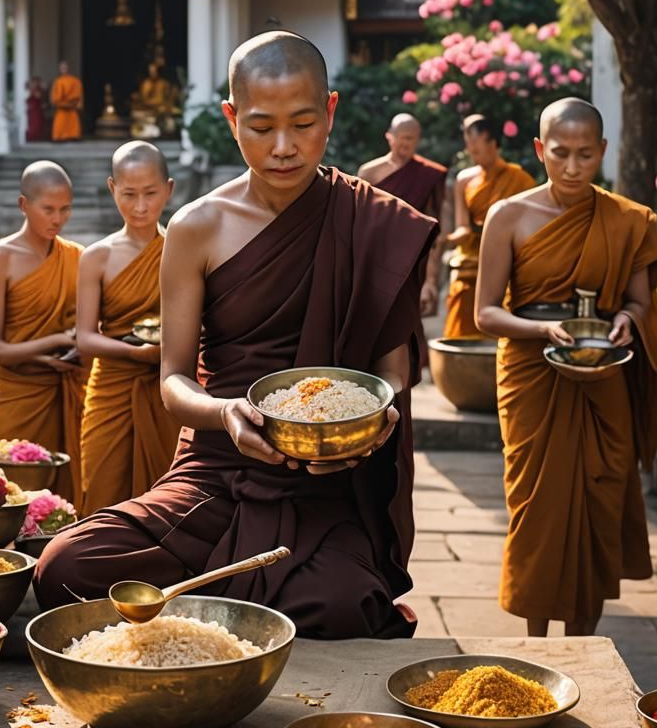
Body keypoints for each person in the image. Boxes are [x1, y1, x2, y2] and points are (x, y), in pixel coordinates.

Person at [36, 32, 437, 639]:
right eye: (260, 127)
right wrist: (226, 413)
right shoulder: (198, 227)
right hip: (217, 470)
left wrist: (373, 423)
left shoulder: (372, 220)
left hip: (325, 480)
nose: (283, 147)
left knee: (342, 604)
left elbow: (391, 367)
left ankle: (207, 619)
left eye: (303, 124)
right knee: (67, 565)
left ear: (330, 110)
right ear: (230, 118)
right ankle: (232, 617)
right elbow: (172, 379)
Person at [474, 98, 657, 637]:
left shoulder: (627, 220)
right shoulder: (508, 215)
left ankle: (585, 639)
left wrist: (628, 319)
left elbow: (637, 301)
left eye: (586, 154)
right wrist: (541, 331)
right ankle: (538, 645)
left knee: (601, 499)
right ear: (540, 149)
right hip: (532, 372)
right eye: (560, 153)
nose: (572, 166)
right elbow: (485, 311)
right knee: (538, 507)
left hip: (602, 369)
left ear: (602, 152)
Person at [76, 141, 180, 515]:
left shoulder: (182, 250)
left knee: (167, 493)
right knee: (102, 488)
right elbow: (85, 337)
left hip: (168, 386)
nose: (140, 206)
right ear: (111, 188)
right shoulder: (97, 256)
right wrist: (137, 353)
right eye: (129, 194)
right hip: (111, 388)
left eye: (150, 194)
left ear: (169, 189)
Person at [0, 161, 86, 502]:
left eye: (65, 209)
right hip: (15, 396)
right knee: (6, 501)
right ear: (24, 205)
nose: (58, 219)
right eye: (48, 209)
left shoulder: (77, 257)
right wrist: (54, 342)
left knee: (62, 506)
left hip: (63, 394)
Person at [444, 115, 535, 339]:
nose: (471, 152)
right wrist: (443, 239)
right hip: (472, 257)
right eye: (469, 148)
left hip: (507, 257)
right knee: (461, 298)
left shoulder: (520, 179)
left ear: (492, 142)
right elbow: (463, 227)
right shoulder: (464, 180)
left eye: (476, 147)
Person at [357, 114, 446, 316]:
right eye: (402, 137)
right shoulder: (369, 173)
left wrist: (430, 280)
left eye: (411, 138)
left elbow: (436, 231)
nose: (406, 143)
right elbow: (358, 223)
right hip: (376, 258)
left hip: (414, 259)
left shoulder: (430, 174)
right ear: (390, 136)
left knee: (408, 324)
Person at [50, 61, 83, 142]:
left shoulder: (75, 81)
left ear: (68, 68)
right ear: (59, 69)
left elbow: (78, 95)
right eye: (61, 68)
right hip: (61, 108)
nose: (63, 69)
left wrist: (73, 102)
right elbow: (55, 96)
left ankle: (72, 137)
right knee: (59, 125)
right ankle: (60, 137)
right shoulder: (58, 81)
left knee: (73, 126)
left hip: (72, 108)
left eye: (65, 67)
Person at [25, 76, 47, 142]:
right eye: (33, 82)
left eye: (36, 82)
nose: (34, 84)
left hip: (37, 109)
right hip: (32, 109)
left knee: (38, 124)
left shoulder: (38, 89)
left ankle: (37, 138)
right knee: (33, 124)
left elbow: (40, 97)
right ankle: (31, 137)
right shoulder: (30, 90)